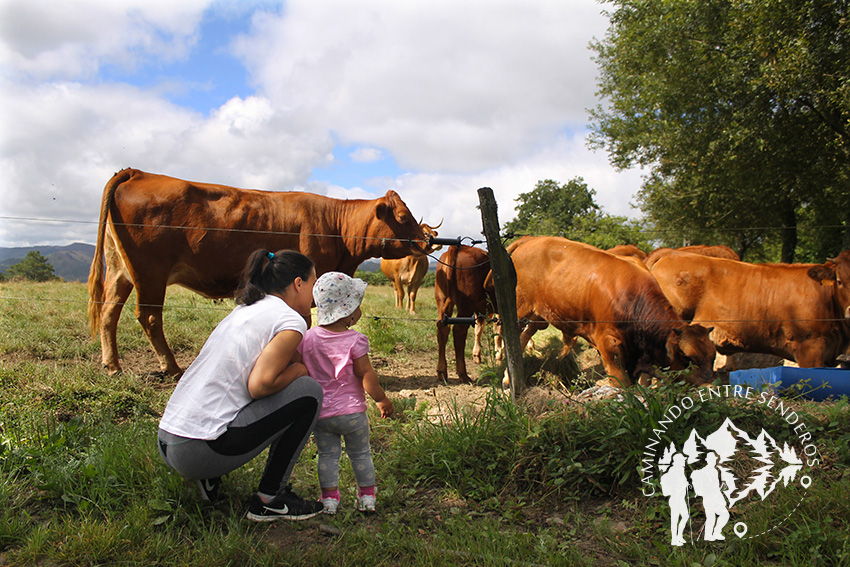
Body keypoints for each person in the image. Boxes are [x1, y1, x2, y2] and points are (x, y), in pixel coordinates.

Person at [157, 249, 324, 522]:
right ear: (298, 283)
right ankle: (270, 498)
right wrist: (300, 369)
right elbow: (260, 385)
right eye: (313, 284)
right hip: (196, 450)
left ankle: (208, 479)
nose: (314, 296)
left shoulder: (246, 309)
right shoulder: (291, 320)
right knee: (309, 391)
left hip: (169, 439)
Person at [297, 272, 394, 514]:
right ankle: (367, 497)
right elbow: (366, 375)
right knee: (361, 454)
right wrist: (381, 399)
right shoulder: (356, 340)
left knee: (327, 456)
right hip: (353, 415)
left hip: (322, 414)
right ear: (348, 311)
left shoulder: (307, 338)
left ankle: (329, 500)